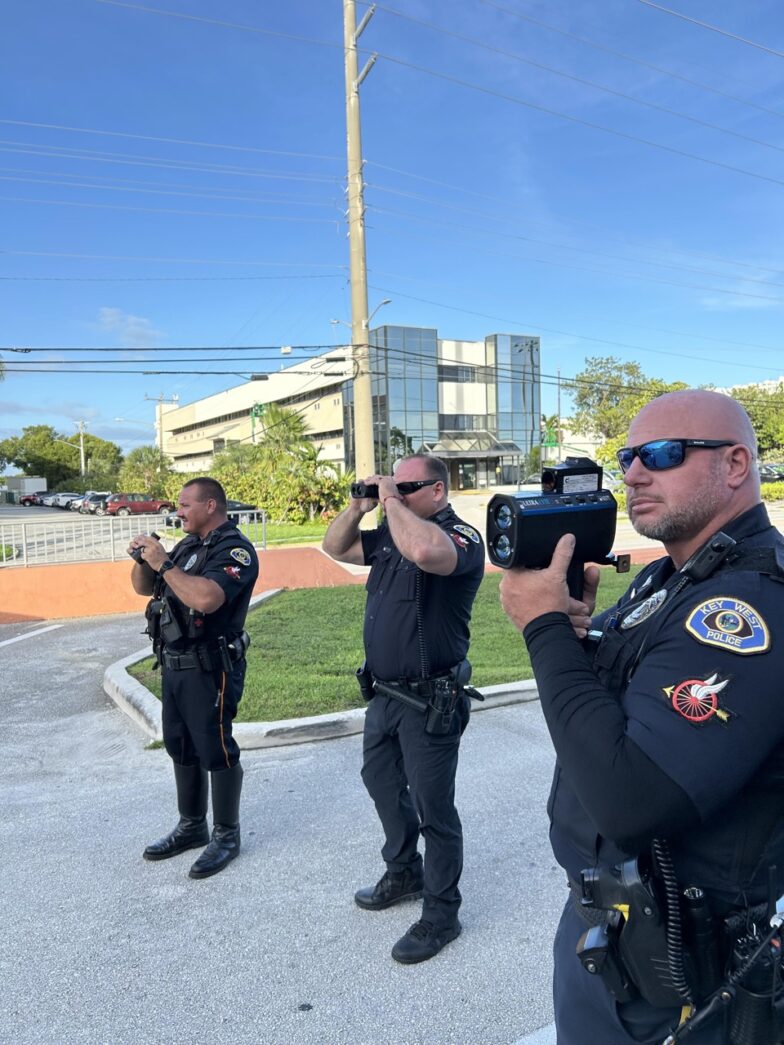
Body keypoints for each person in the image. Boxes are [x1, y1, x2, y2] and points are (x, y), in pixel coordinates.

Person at [499, 389, 784, 1044]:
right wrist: (570, 638)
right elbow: (607, 711)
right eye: (628, 457)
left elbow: (632, 798)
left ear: (735, 464)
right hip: (612, 933)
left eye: (661, 454)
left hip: (683, 973)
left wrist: (543, 627)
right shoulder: (669, 578)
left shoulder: (745, 607)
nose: (633, 473)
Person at [322, 454, 485, 963]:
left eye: (409, 485)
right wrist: (359, 506)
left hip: (430, 699)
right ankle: (404, 871)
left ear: (437, 490)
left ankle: (442, 914)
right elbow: (335, 547)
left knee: (435, 810)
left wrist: (391, 500)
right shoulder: (393, 533)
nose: (396, 491)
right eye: (394, 484)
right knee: (382, 784)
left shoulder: (460, 537)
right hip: (385, 696)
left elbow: (424, 550)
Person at [129, 477, 259, 879]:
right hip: (175, 664)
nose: (178, 511)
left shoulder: (234, 550)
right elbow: (144, 589)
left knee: (216, 748)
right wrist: (144, 561)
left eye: (185, 505)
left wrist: (164, 564)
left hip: (210, 668)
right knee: (180, 745)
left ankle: (227, 835)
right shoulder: (187, 547)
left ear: (211, 506)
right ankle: (192, 826)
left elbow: (205, 598)